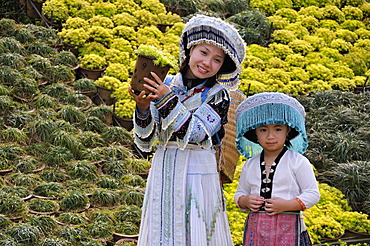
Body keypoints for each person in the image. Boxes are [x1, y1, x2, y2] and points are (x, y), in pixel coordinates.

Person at [128, 15, 246, 246]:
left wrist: (165, 99)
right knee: (160, 227)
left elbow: (196, 133)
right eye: (203, 52)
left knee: (197, 230)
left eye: (217, 59)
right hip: (164, 168)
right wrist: (143, 108)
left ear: (222, 66)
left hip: (198, 171)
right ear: (190, 50)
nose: (207, 63)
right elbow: (145, 141)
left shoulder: (219, 96)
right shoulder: (166, 83)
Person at [234, 92, 320, 246]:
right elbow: (240, 192)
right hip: (256, 230)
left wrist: (287, 205)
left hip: (289, 228)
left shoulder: (298, 162)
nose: (270, 136)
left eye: (278, 129)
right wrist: (245, 201)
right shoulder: (249, 164)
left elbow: (313, 194)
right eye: (263, 130)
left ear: (288, 131)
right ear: (255, 133)